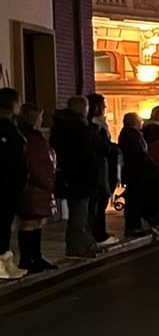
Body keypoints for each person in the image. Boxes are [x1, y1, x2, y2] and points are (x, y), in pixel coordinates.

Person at [50, 95, 99, 258]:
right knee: (79, 213)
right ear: (83, 109)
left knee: (79, 213)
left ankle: (83, 243)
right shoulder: (78, 127)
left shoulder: (62, 125)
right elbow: (85, 151)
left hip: (74, 176)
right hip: (79, 176)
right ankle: (76, 246)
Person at [16, 103, 57, 272]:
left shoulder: (33, 136)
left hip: (40, 186)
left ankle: (36, 257)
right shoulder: (29, 138)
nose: (42, 120)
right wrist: (45, 180)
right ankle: (28, 259)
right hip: (34, 186)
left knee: (37, 222)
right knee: (29, 222)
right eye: (40, 117)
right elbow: (33, 164)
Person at [0, 88, 27, 280]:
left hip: (11, 184)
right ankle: (2, 264)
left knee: (5, 224)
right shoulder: (5, 128)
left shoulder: (12, 126)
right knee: (1, 224)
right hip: (4, 184)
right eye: (18, 102)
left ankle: (6, 263)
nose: (20, 105)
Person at [86, 94, 118, 248]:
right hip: (99, 169)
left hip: (103, 167)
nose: (105, 108)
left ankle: (99, 233)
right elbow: (102, 147)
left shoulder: (98, 126)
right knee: (98, 202)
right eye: (103, 106)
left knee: (100, 202)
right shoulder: (94, 127)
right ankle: (98, 235)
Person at [118, 112, 148, 237]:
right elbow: (137, 153)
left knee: (134, 199)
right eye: (139, 120)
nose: (141, 123)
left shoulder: (132, 134)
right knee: (133, 200)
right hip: (134, 171)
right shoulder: (130, 135)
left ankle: (135, 226)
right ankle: (132, 227)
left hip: (135, 171)